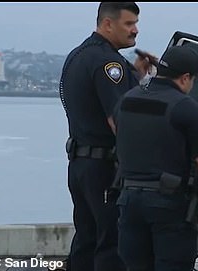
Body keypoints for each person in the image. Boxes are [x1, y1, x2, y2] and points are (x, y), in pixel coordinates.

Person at [113, 45, 198, 271]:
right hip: (168, 205)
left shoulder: (127, 99)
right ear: (185, 78)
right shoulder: (185, 107)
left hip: (128, 200)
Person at [59, 2, 153, 271]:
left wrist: (135, 76)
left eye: (136, 23)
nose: (135, 30)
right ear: (107, 23)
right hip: (104, 168)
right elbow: (120, 122)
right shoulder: (110, 63)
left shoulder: (77, 56)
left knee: (86, 241)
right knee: (111, 244)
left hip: (80, 164)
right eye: (128, 24)